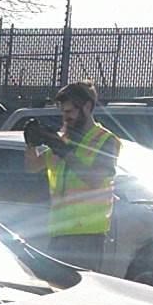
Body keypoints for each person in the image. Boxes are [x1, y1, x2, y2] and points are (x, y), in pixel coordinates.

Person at [22, 78, 119, 267]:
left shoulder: (105, 140)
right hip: (59, 231)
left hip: (87, 235)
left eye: (70, 111)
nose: (66, 117)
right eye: (63, 112)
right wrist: (31, 144)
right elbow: (33, 167)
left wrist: (61, 148)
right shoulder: (66, 139)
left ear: (87, 106)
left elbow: (95, 180)